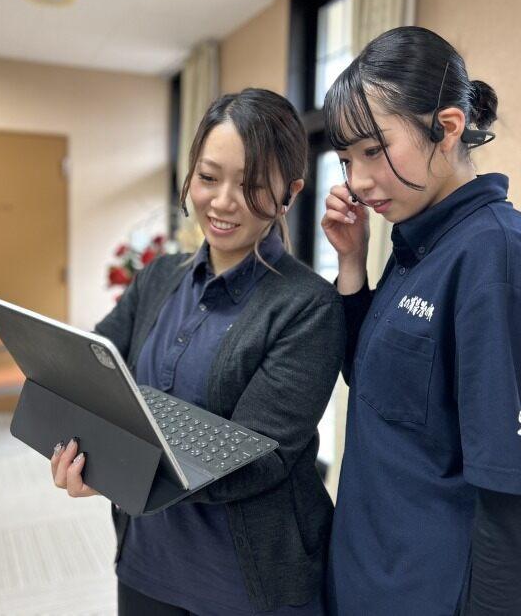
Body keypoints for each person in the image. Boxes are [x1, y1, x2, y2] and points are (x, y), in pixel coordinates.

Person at [52, 88, 347, 615]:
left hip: (247, 584)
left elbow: (259, 459)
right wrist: (84, 455)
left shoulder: (308, 306)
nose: (224, 201)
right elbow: (93, 375)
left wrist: (123, 470)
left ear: (290, 192)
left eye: (251, 184)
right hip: (146, 561)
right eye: (209, 178)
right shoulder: (159, 277)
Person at [321, 27, 521, 615]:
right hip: (363, 571)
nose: (357, 182)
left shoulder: (501, 264)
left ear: (448, 128)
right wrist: (353, 266)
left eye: (373, 150)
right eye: (345, 159)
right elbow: (374, 384)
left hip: (425, 594)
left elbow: (511, 504)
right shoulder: (418, 242)